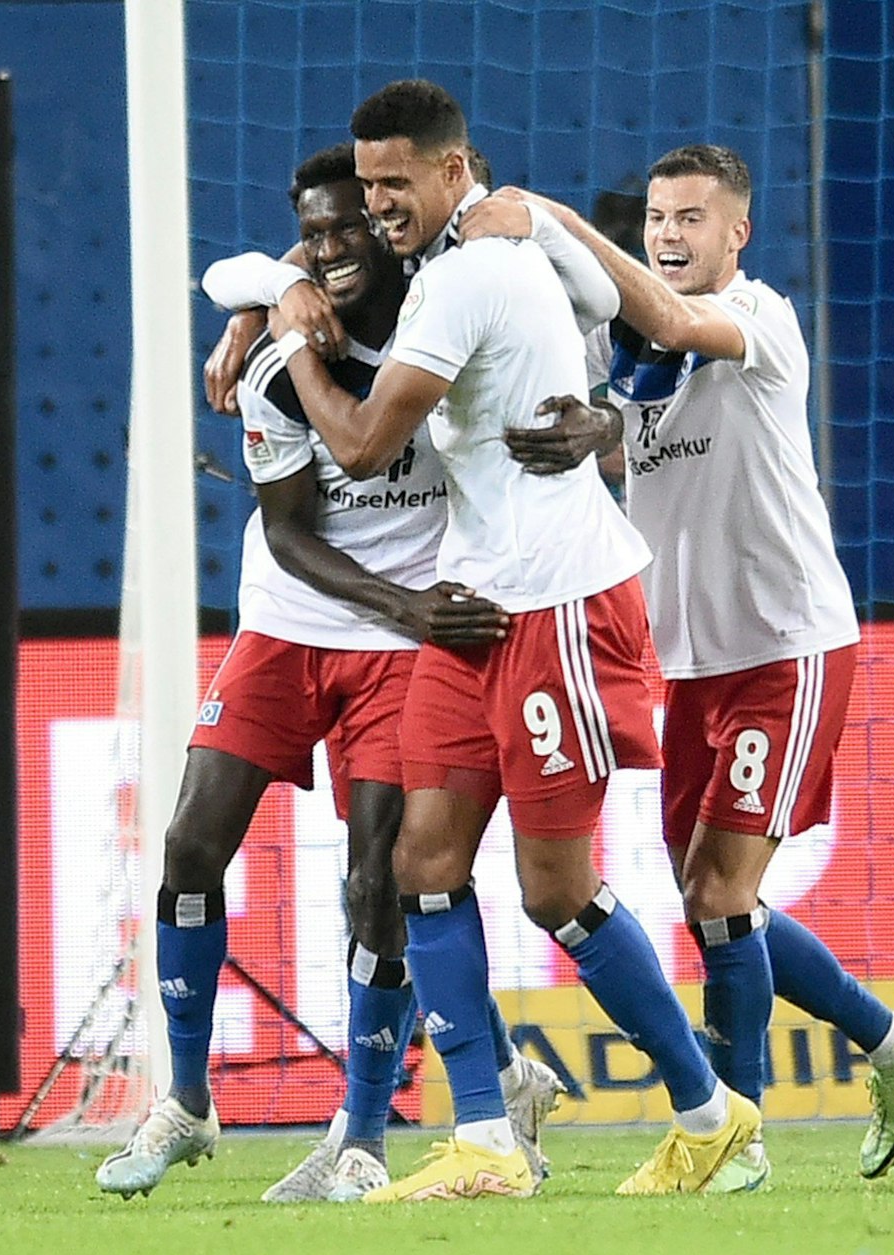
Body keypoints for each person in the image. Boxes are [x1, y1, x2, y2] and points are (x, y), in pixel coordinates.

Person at [259, 80, 759, 1199]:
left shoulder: (474, 272)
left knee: (553, 888)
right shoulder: (479, 255)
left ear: (454, 170)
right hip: (474, 602)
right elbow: (592, 300)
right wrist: (280, 290)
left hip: (559, 601)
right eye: (369, 181)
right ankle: (485, 1139)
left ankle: (712, 1115)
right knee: (421, 864)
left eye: (396, 182)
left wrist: (292, 345)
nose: (379, 203)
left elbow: (356, 445)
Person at [457, 146, 894, 1193]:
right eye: (658, 220)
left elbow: (684, 332)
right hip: (685, 656)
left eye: (692, 218)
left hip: (787, 643)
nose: (670, 236)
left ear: (738, 233)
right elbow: (626, 409)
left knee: (725, 894)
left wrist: (549, 216)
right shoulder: (619, 342)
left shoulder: (763, 320)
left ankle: (735, 1141)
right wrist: (599, 427)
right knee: (707, 894)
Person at [95, 146, 562, 1203]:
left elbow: (548, 268)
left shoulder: (459, 327)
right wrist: (265, 292)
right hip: (301, 622)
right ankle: (186, 1102)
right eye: (315, 237)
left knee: (376, 884)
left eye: (353, 226)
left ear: (397, 223)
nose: (335, 249)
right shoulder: (278, 357)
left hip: (407, 651)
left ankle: (360, 1133)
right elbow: (292, 533)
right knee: (186, 846)